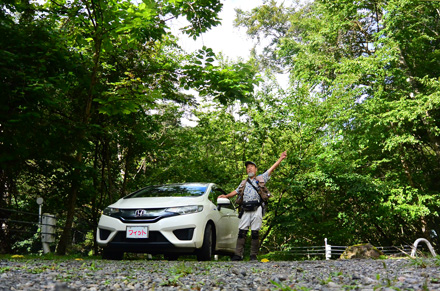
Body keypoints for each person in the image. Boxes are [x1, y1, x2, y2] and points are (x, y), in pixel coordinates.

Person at [219, 151, 287, 261]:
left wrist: (280, 159)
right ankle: (237, 255)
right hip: (245, 209)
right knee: (242, 232)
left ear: (256, 170)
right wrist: (226, 196)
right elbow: (236, 192)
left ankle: (253, 256)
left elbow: (271, 169)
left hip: (257, 208)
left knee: (255, 232)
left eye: (251, 167)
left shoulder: (260, 179)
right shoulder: (243, 183)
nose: (249, 169)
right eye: (247, 167)